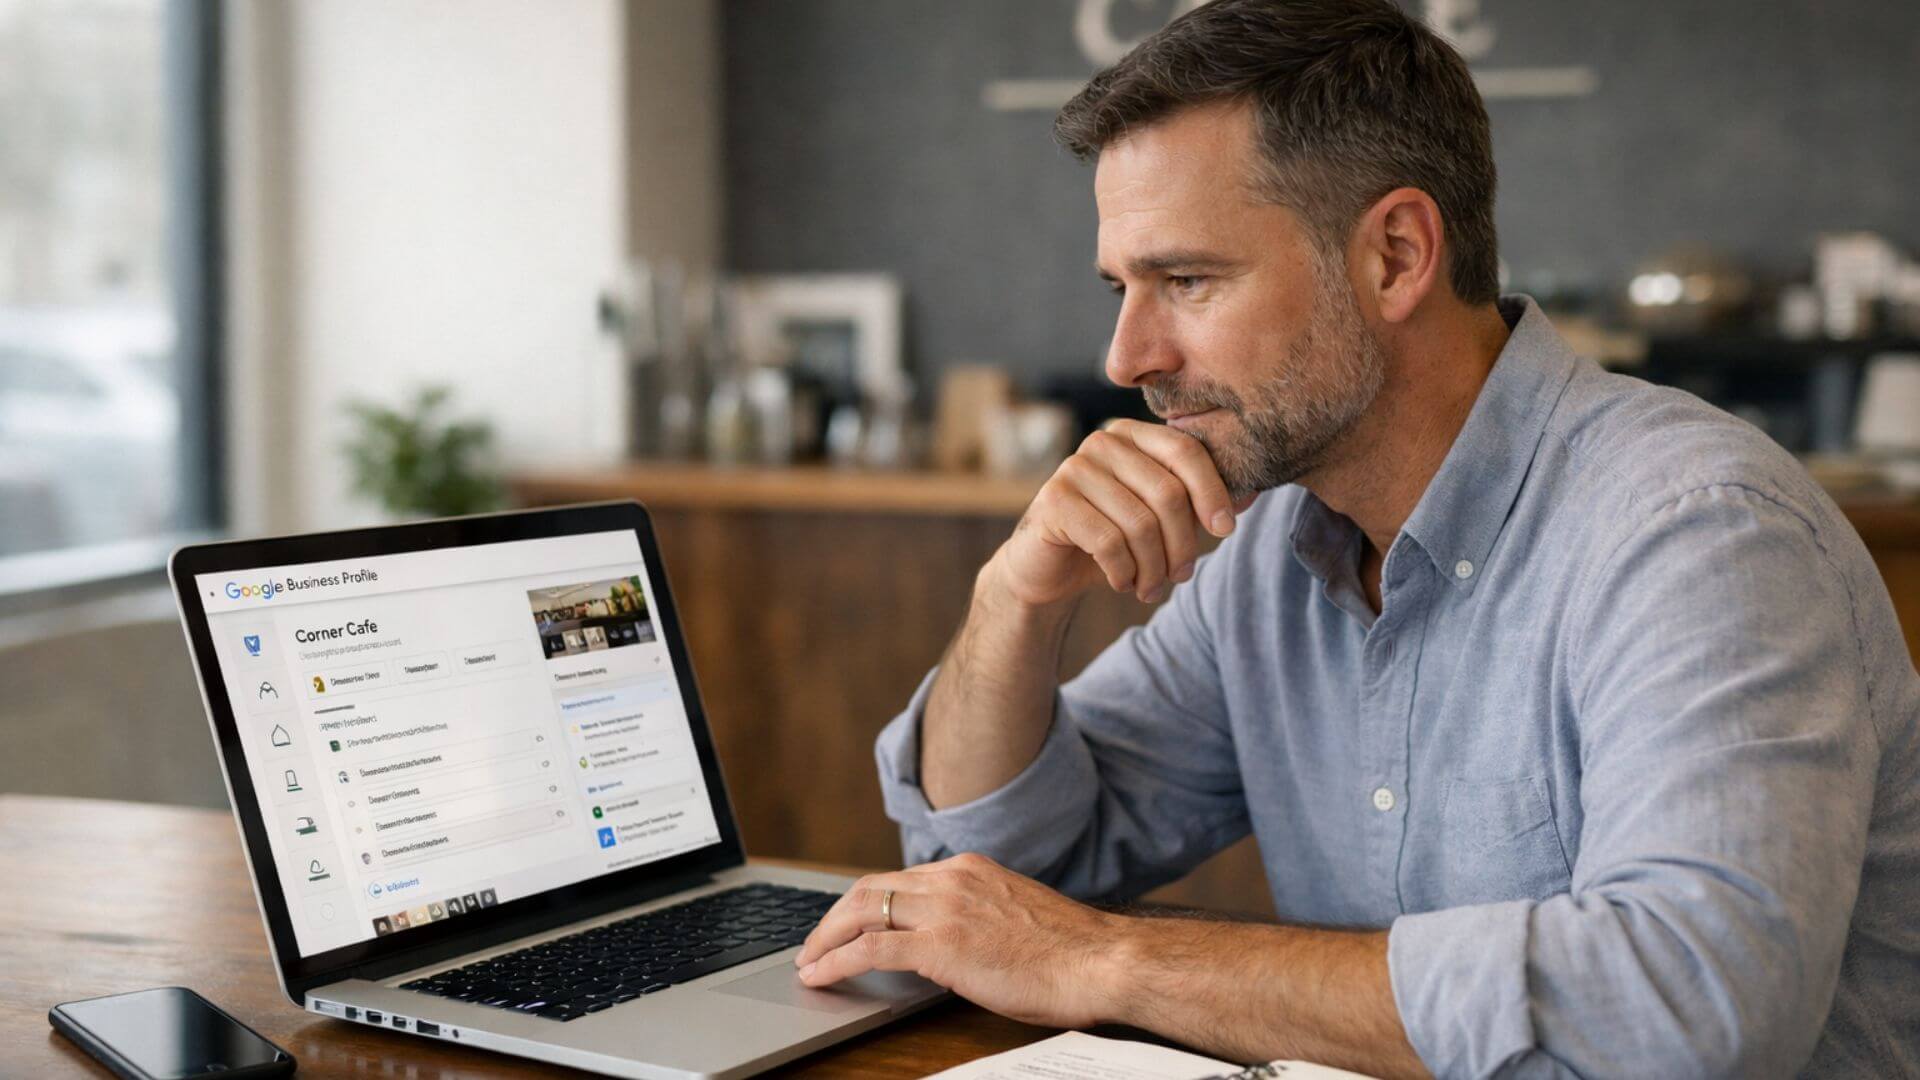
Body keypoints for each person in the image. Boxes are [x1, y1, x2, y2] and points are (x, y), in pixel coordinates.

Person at [792, 1, 1920, 1076]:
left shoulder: (1699, 532)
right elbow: (987, 883)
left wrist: (1108, 957)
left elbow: (1697, 1009)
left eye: (1186, 280)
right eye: (1121, 288)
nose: (1125, 357)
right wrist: (1012, 605)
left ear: (1394, 256)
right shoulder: (1268, 551)